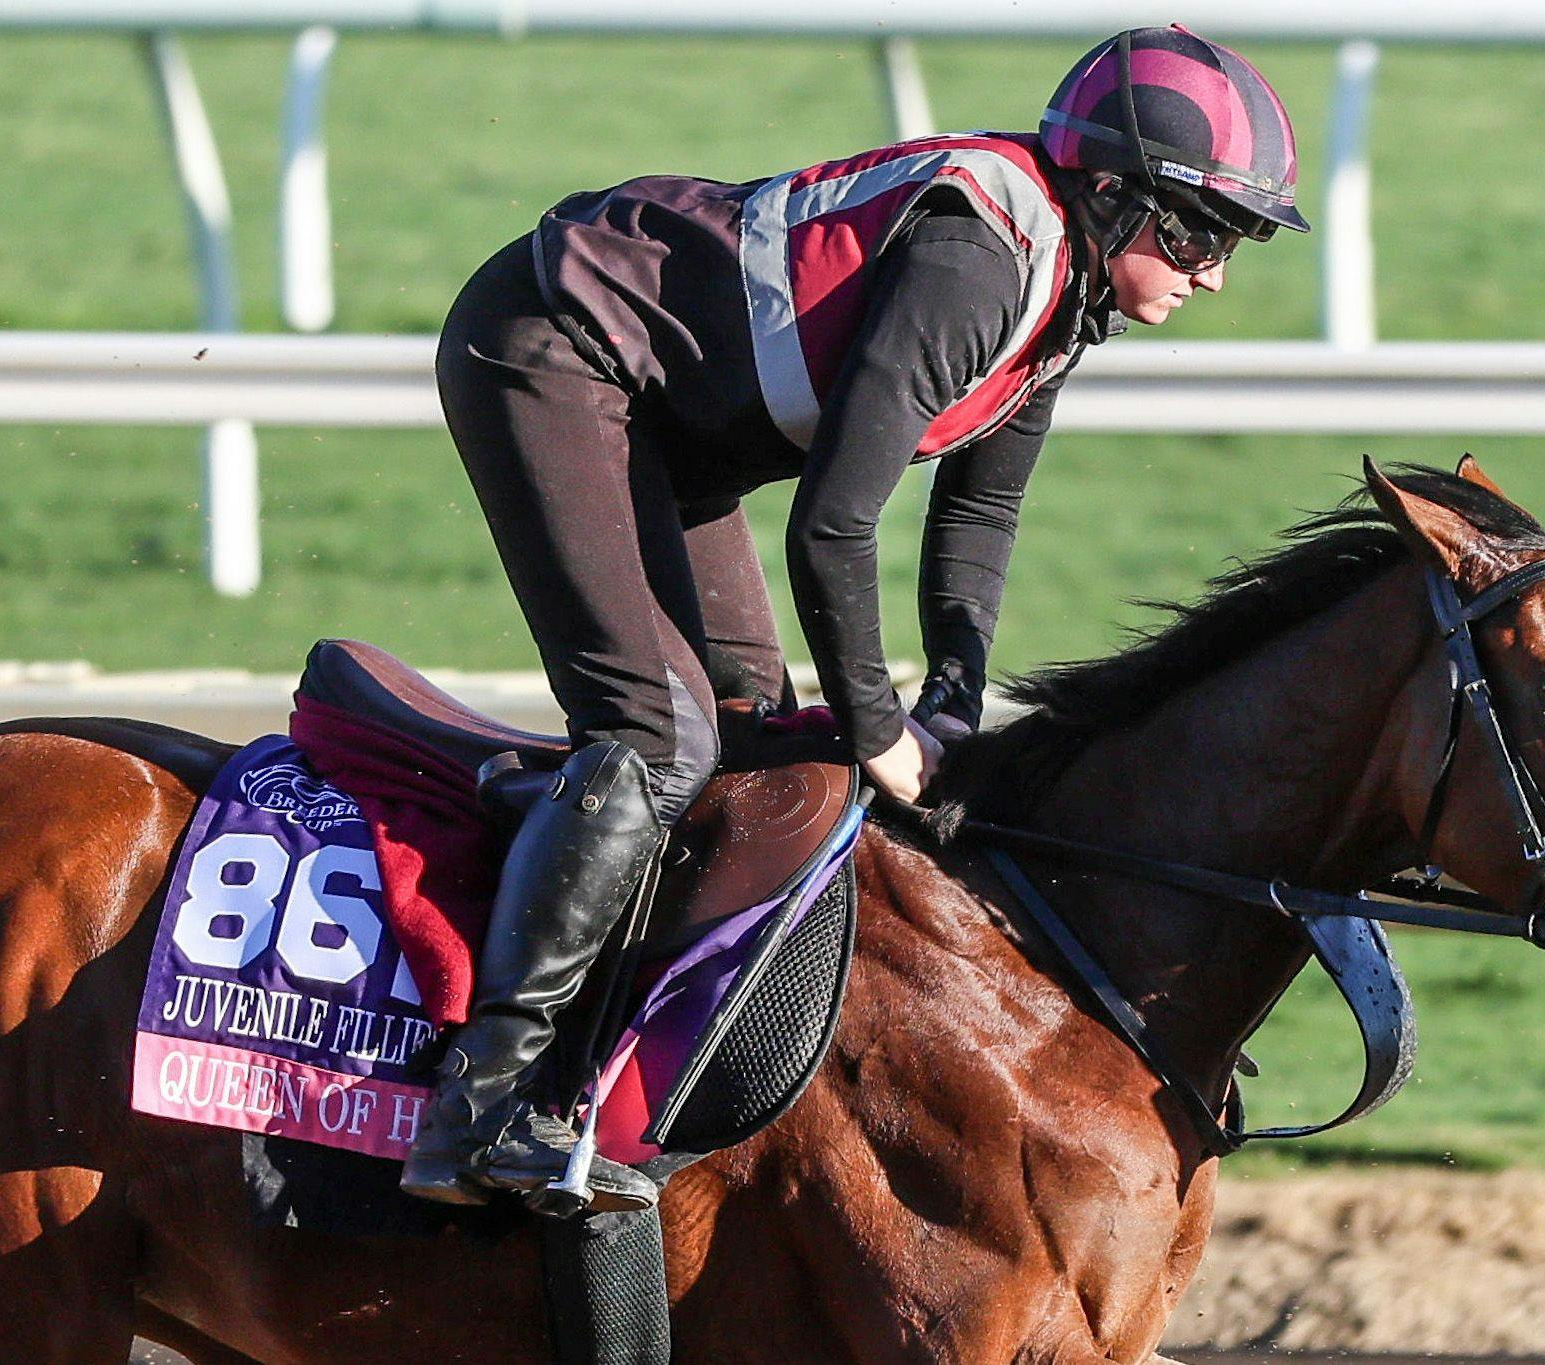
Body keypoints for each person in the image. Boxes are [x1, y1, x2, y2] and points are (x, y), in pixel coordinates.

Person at [400, 24, 1309, 1213]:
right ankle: (477, 1110)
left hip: (670, 424)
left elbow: (975, 521)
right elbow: (830, 528)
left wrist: (949, 703)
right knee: (659, 736)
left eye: (1231, 240)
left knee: (746, 728)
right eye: (1196, 231)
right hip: (553, 351)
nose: (1213, 272)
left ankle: (635, 1069)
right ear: (1107, 196)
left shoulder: (1063, 292)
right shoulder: (976, 265)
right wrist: (881, 727)